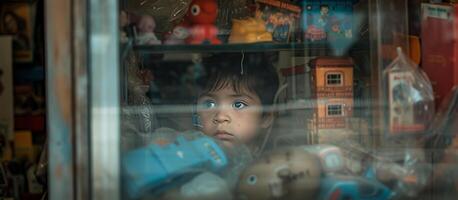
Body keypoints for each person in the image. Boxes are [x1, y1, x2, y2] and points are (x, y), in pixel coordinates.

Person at [194, 53, 280, 154]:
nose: (221, 117)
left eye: (238, 104)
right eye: (209, 104)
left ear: (266, 117)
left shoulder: (270, 164)